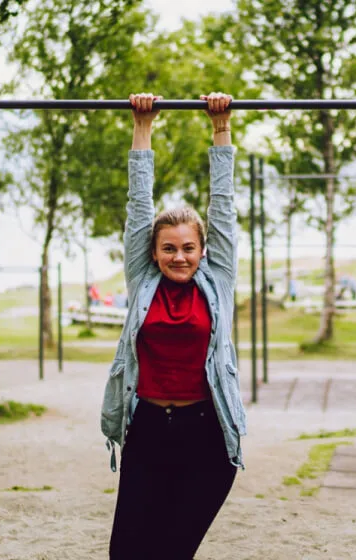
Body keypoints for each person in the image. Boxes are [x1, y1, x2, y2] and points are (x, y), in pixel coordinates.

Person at [100, 91, 246, 560]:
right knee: (125, 552)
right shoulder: (143, 280)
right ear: (154, 252)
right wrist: (143, 126)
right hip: (147, 428)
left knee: (172, 550)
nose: (179, 256)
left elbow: (221, 205)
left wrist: (219, 127)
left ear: (203, 251)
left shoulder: (218, 280)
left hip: (205, 432)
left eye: (188, 247)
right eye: (168, 248)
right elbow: (137, 204)